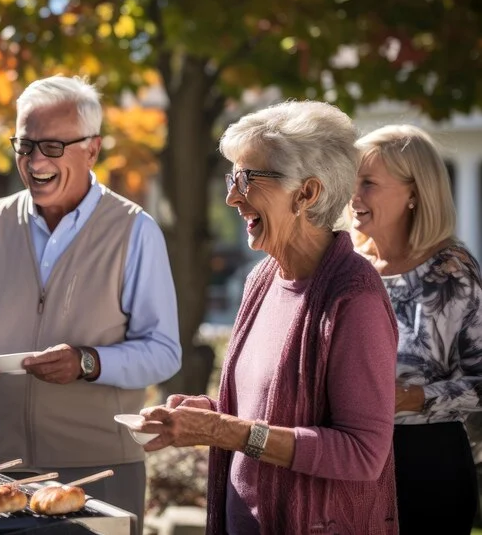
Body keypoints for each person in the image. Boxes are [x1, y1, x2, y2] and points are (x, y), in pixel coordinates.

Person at [0, 75, 182, 528]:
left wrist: (88, 362)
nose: (35, 161)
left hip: (101, 474)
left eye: (52, 147)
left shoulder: (135, 230)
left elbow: (163, 351)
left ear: (93, 149)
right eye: (25, 145)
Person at [137, 101, 400, 534]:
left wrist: (225, 430)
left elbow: (362, 454)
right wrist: (203, 416)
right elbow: (264, 411)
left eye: (247, 179)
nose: (231, 196)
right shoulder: (262, 278)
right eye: (231, 178)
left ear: (307, 193)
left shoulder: (354, 297)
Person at [350, 124, 482, 533]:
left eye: (368, 183)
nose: (354, 197)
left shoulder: (452, 270)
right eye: (352, 181)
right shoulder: (345, 266)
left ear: (414, 193)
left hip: (426, 463)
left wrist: (409, 397)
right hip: (347, 459)